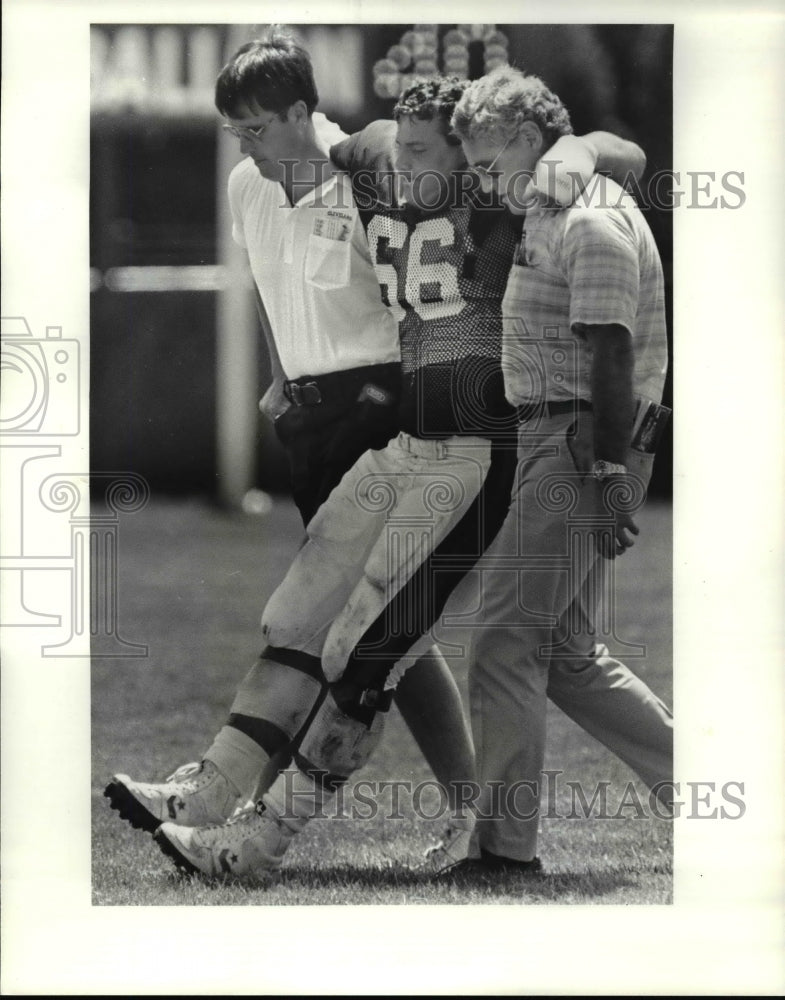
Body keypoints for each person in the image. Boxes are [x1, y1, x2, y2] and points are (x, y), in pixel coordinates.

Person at [130, 75, 668, 883]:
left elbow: (619, 159)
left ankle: (267, 841)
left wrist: (582, 146)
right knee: (299, 618)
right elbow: (319, 146)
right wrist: (269, 144)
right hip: (414, 444)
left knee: (382, 649)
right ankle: (212, 792)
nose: (414, 162)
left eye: (437, 152)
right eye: (407, 146)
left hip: (488, 451)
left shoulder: (516, 196)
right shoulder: (388, 157)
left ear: (475, 153)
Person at [104, 30, 477, 834]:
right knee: (370, 634)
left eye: (259, 128)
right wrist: (279, 380)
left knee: (324, 627)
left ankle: (216, 792)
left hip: (377, 408)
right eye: (235, 131)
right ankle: (471, 812)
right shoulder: (247, 186)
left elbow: (418, 304)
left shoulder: (370, 177)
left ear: (304, 111)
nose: (247, 146)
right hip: (310, 416)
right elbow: (272, 290)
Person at [445, 65, 673, 873]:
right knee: (566, 653)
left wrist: (609, 471)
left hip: (580, 445)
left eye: (483, 161)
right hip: (567, 441)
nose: (478, 179)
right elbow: (624, 152)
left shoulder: (586, 219)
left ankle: (503, 851)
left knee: (504, 638)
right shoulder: (554, 201)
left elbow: (609, 353)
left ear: (531, 141)